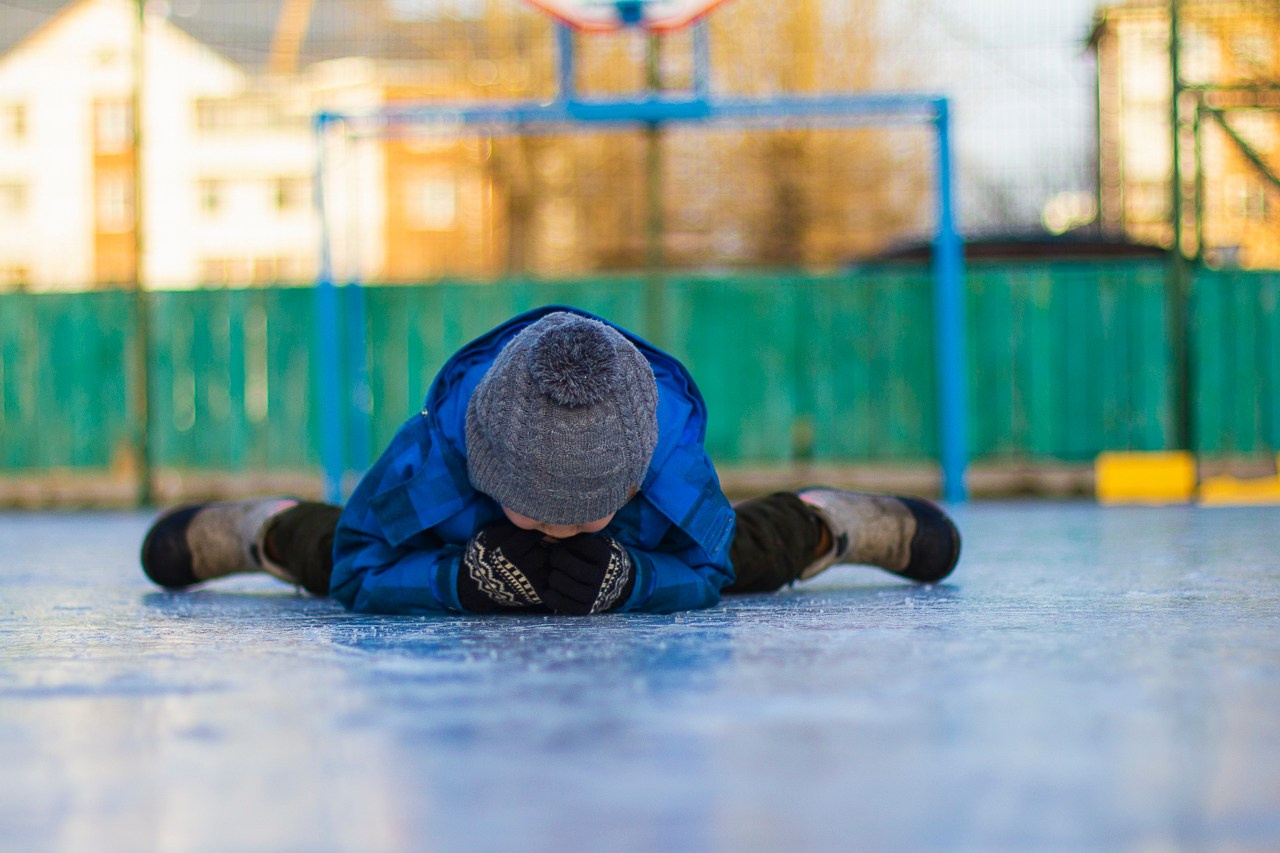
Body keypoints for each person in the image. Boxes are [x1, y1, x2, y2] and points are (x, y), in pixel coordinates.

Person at [140, 306, 960, 615]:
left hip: (646, 531)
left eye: (581, 516)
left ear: (632, 480)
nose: (557, 533)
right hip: (450, 534)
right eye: (533, 511)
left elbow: (701, 566)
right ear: (487, 474)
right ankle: (265, 530)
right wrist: (455, 580)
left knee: (743, 551)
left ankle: (829, 525)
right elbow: (362, 559)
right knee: (332, 555)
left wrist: (633, 578)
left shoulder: (665, 459)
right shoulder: (434, 458)